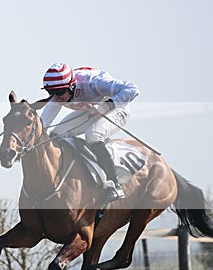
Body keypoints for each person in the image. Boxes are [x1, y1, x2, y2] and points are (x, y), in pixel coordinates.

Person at [38, 62, 140, 204]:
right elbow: (42, 124)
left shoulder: (92, 82)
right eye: (51, 93)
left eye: (60, 92)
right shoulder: (58, 95)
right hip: (92, 111)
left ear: (72, 85)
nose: (56, 97)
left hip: (117, 109)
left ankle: (114, 185)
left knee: (93, 135)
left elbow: (132, 88)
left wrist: (107, 105)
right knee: (56, 134)